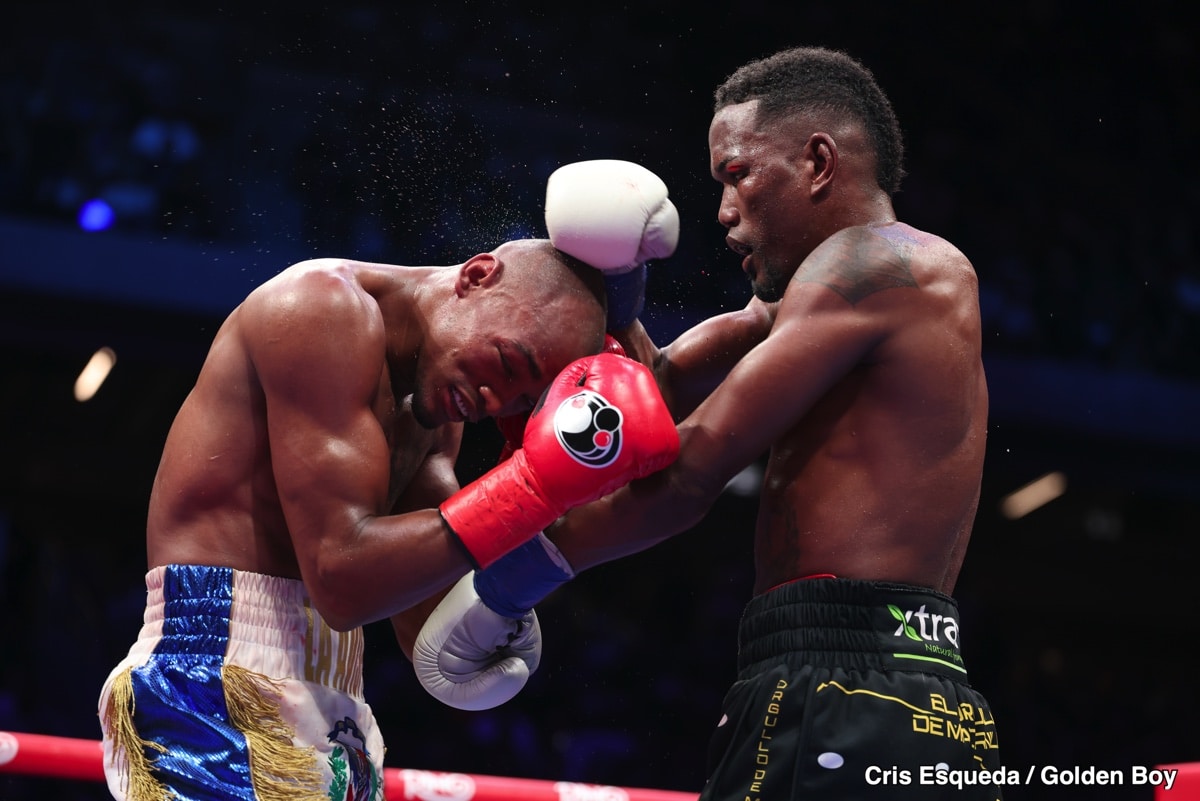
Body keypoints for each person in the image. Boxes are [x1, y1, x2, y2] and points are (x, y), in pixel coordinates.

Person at [417, 46, 1003, 799]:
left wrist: (505, 579)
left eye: (739, 174)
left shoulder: (877, 267)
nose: (724, 210)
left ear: (819, 161)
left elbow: (688, 468)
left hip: (843, 683)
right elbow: (648, 391)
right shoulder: (831, 293)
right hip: (908, 685)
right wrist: (617, 288)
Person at [96, 166, 683, 801]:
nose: (493, 400)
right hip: (212, 683)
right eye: (509, 363)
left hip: (335, 708)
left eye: (520, 399)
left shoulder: (436, 410)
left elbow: (418, 615)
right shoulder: (321, 310)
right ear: (476, 276)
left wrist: (512, 590)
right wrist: (536, 484)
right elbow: (342, 577)